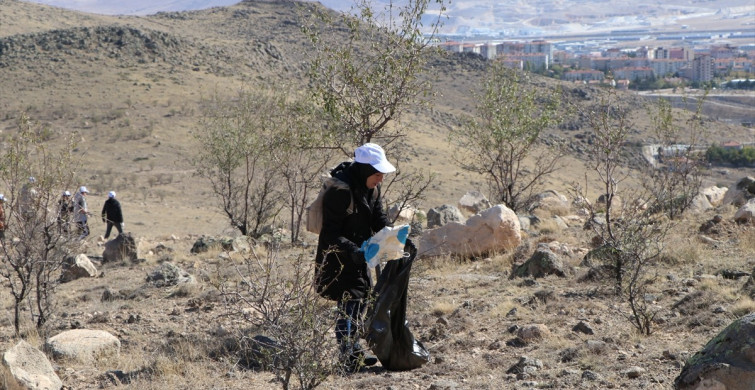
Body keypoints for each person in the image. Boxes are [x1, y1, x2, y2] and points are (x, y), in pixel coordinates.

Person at [314, 143, 396, 372]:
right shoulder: (340, 192)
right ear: (365, 170)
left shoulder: (370, 189)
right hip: (338, 258)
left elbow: (378, 219)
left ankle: (353, 353)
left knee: (359, 301)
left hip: (360, 256)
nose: (380, 179)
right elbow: (330, 233)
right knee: (349, 305)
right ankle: (348, 357)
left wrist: (395, 237)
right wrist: (353, 251)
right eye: (377, 174)